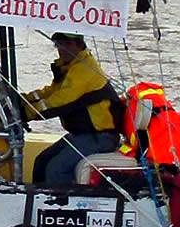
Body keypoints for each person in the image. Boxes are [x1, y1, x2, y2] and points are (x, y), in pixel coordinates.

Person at [21, 32, 121, 186]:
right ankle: (37, 200)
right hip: (82, 135)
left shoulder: (84, 70)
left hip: (100, 137)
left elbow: (59, 102)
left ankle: (59, 207)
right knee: (42, 160)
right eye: (58, 44)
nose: (61, 49)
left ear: (79, 44)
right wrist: (23, 100)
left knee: (56, 169)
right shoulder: (71, 66)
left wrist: (24, 114)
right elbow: (51, 92)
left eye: (67, 44)